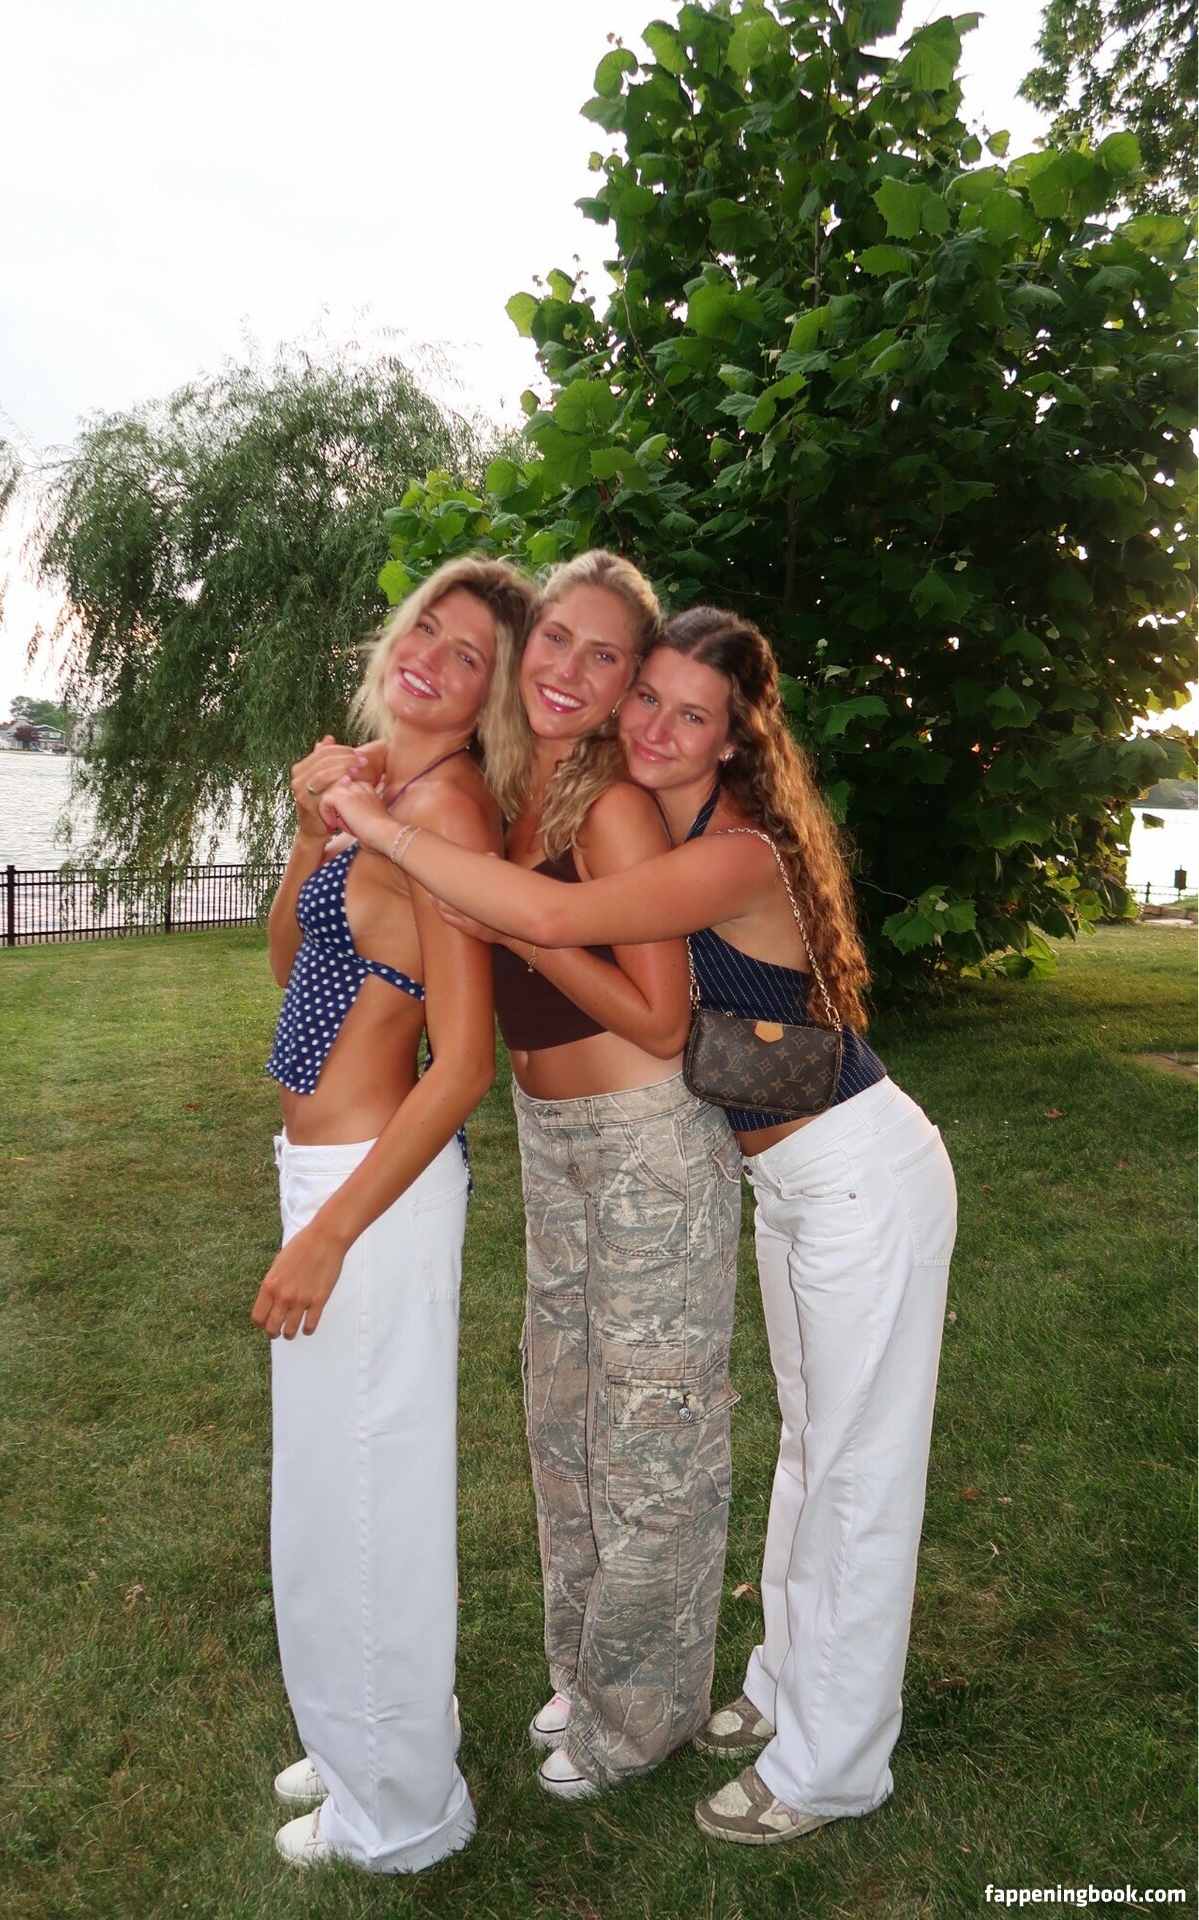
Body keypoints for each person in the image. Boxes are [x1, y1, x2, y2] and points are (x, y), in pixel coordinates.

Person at [320, 602, 958, 1847]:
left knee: (859, 1474)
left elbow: (561, 925)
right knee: (811, 1454)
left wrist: (386, 828)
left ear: (736, 738)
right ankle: (778, 1686)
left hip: (862, 1175)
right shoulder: (669, 825)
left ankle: (834, 1764)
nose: (660, 727)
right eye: (649, 698)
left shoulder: (738, 852)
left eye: (692, 714)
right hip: (796, 1186)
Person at [330, 550, 743, 1801]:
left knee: (651, 1431)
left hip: (647, 1139)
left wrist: (517, 924)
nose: (567, 669)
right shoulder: (515, 792)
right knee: (563, 1419)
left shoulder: (608, 807)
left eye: (604, 656)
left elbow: (661, 1017)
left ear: (628, 682)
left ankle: (643, 1715)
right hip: (552, 1138)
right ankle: (584, 1669)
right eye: (555, 638)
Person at [252, 554, 534, 1873]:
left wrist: (330, 1233)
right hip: (328, 1174)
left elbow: (463, 1061)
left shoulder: (448, 817)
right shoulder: (380, 790)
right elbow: (295, 963)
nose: (432, 655)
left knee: (364, 1503)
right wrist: (316, 824)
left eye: (470, 654)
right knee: (330, 1494)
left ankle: (404, 1814)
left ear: (489, 700)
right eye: (428, 626)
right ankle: (366, 1732)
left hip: (374, 1195)